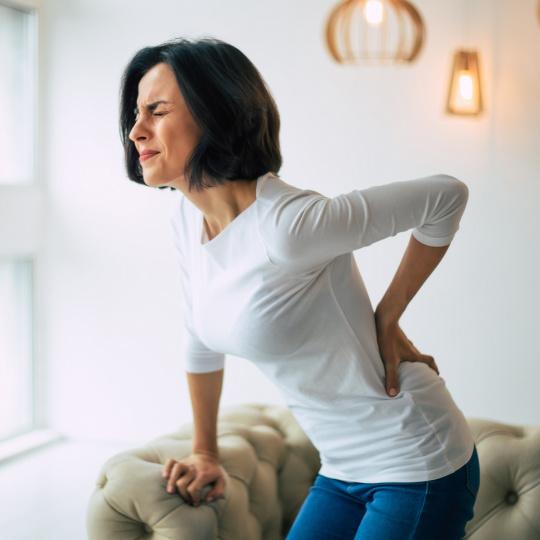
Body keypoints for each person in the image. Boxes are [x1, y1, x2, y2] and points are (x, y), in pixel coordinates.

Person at [119, 36, 480, 540]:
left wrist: (387, 315)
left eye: (157, 111)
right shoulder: (187, 218)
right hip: (340, 468)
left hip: (416, 461)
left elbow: (446, 197)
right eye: (137, 113)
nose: (137, 130)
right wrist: (205, 452)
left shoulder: (287, 225)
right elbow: (199, 338)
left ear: (215, 113)